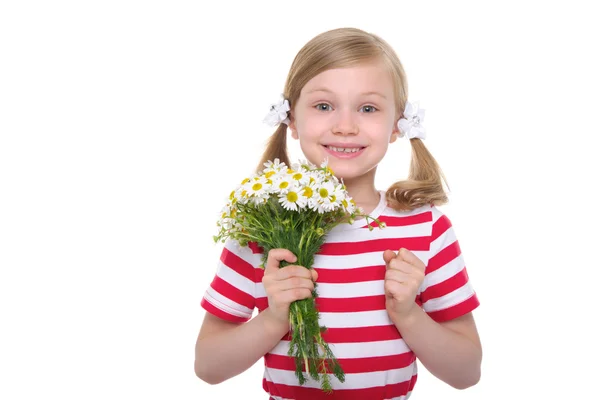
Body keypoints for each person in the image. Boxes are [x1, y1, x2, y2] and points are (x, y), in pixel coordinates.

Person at [194, 27, 482, 399]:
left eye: (368, 108)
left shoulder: (426, 228)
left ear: (398, 124)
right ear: (292, 119)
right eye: (324, 106)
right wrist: (273, 318)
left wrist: (409, 315)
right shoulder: (260, 229)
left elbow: (466, 372)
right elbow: (208, 366)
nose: (345, 126)